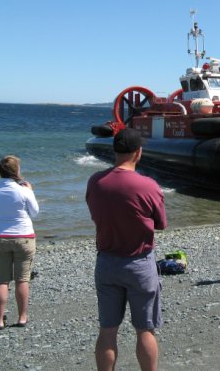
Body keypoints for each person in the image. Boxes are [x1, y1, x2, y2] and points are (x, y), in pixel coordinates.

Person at [86, 128, 167, 371]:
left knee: (107, 330)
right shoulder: (149, 185)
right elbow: (160, 223)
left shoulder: (95, 181)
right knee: (145, 329)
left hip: (107, 262)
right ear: (138, 152)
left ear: (114, 151)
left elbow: (94, 214)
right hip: (139, 262)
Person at [0, 156, 39, 330]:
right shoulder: (23, 190)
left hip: (0, 237)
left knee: (1, 280)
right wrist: (30, 191)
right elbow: (34, 212)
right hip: (24, 236)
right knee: (22, 279)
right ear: (16, 171)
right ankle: (22, 317)